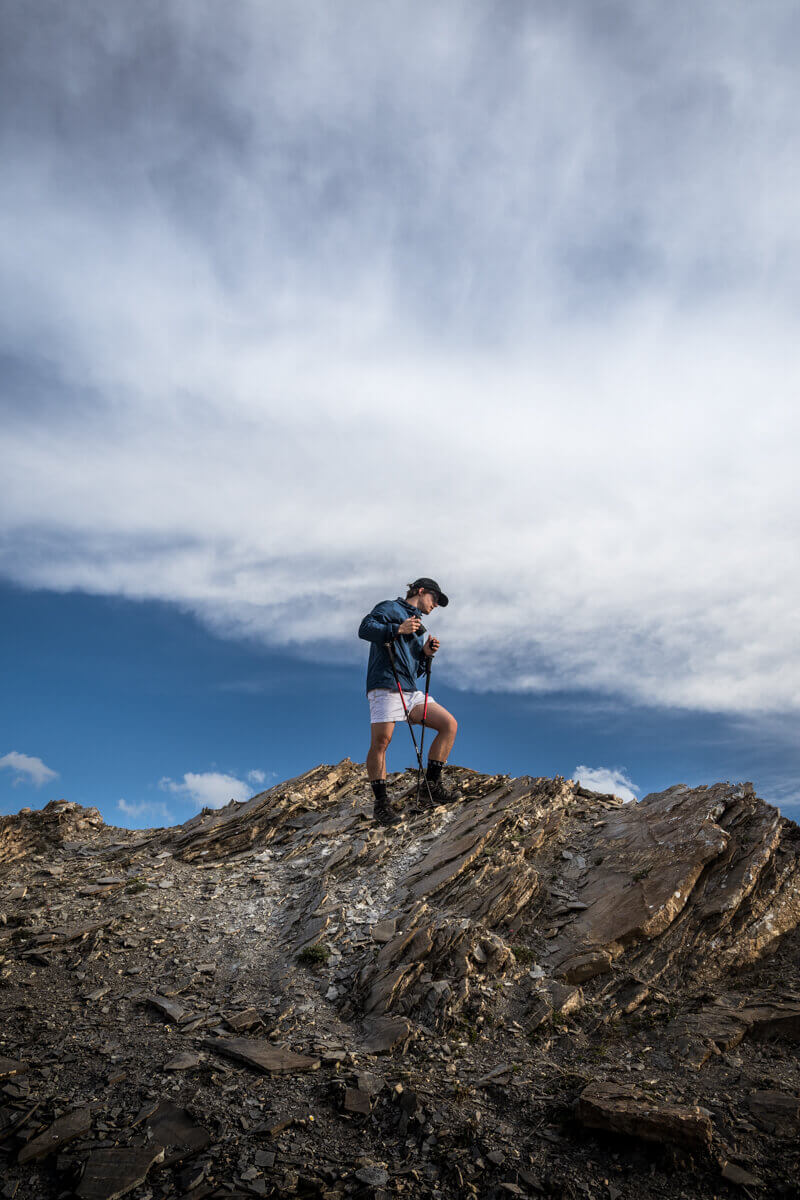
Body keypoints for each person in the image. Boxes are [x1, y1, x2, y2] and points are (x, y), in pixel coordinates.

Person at [358, 577, 458, 826]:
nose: (435, 605)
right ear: (421, 591)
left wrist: (424, 654)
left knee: (449, 725)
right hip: (385, 684)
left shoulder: (418, 625)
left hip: (410, 690)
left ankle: (430, 787)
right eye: (434, 599)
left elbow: (413, 667)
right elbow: (365, 629)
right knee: (381, 741)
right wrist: (397, 629)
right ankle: (381, 804)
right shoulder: (389, 607)